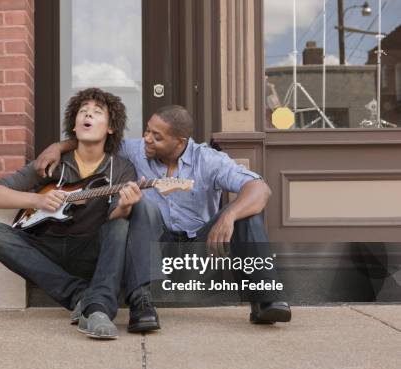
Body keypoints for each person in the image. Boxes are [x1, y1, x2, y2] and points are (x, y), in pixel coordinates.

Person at [35, 105, 292, 324]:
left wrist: (229, 215)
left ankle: (266, 300)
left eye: (156, 137)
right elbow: (96, 139)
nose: (147, 138)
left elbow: (260, 189)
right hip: (153, 247)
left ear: (179, 143)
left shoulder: (209, 160)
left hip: (200, 250)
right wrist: (58, 147)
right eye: (147, 130)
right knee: (144, 206)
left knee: (247, 213)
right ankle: (142, 302)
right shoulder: (135, 150)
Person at [0, 88, 146, 340]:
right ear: (74, 123)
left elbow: (114, 217)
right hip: (46, 247)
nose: (87, 115)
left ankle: (99, 308)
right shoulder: (53, 162)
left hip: (88, 249)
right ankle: (79, 296)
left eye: (96, 113)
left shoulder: (120, 168)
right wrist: (37, 199)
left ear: (111, 127)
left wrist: (124, 206)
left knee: (120, 226)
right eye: (83, 112)